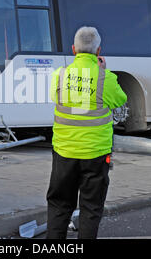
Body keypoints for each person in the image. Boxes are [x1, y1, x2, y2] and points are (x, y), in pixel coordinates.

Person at [47, 26, 127, 239]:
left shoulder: (60, 76)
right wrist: (102, 72)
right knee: (91, 208)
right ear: (98, 52)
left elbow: (57, 99)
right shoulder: (106, 78)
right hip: (95, 154)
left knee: (59, 206)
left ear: (74, 49)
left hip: (64, 152)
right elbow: (121, 99)